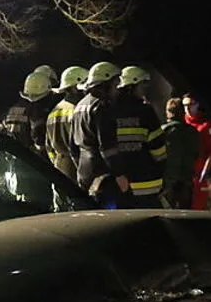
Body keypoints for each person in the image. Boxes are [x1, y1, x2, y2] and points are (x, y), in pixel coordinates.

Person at [72, 62, 130, 207]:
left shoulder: (79, 106)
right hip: (103, 175)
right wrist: (119, 174)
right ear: (105, 84)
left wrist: (80, 167)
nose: (117, 89)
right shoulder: (101, 106)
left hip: (84, 172)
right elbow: (107, 145)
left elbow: (72, 145)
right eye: (115, 84)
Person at [113, 66, 166, 207]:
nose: (145, 90)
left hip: (120, 183)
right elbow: (158, 146)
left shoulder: (108, 110)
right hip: (147, 180)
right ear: (131, 86)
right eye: (143, 85)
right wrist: (163, 166)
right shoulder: (145, 111)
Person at [45, 66, 88, 181]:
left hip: (59, 165)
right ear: (74, 87)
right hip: (78, 165)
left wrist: (56, 162)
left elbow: (48, 146)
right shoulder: (78, 110)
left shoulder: (54, 111)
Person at [0, 70, 54, 156]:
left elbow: (1, 130)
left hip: (13, 154)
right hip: (30, 157)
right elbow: (38, 135)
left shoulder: (13, 108)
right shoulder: (36, 109)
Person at [160, 97, 200, 209]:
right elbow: (196, 154)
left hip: (168, 179)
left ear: (168, 112)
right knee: (186, 214)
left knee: (167, 213)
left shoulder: (163, 131)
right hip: (187, 178)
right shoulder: (193, 132)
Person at [183, 93, 211, 210]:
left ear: (197, 105)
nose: (187, 108)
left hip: (198, 175)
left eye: (190, 104)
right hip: (183, 173)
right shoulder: (181, 122)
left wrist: (205, 172)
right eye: (185, 105)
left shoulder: (205, 125)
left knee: (198, 207)